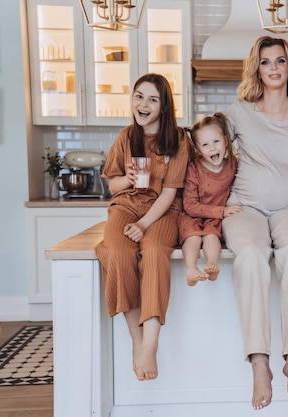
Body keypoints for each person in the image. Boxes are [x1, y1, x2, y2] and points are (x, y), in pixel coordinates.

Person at [222, 35, 288, 410]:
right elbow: (208, 154)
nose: (274, 68)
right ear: (257, 69)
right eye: (266, 62)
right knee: (251, 256)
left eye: (280, 61)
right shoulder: (239, 112)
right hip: (243, 207)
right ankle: (259, 362)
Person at [95, 73, 190, 381]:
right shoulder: (125, 137)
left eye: (152, 98)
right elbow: (113, 186)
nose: (143, 104)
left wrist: (144, 224)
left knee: (152, 254)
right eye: (139, 96)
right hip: (126, 205)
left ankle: (151, 344)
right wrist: (130, 180)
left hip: (161, 212)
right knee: (118, 253)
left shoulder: (178, 140)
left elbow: (170, 192)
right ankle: (136, 340)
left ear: (164, 106)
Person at [178, 112, 240, 287]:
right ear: (198, 149)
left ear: (226, 141)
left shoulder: (233, 165)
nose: (212, 148)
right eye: (205, 144)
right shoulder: (194, 169)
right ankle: (190, 269)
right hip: (193, 215)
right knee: (193, 237)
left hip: (215, 218)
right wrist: (222, 211)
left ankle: (212, 265)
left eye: (216, 141)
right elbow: (189, 205)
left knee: (212, 236)